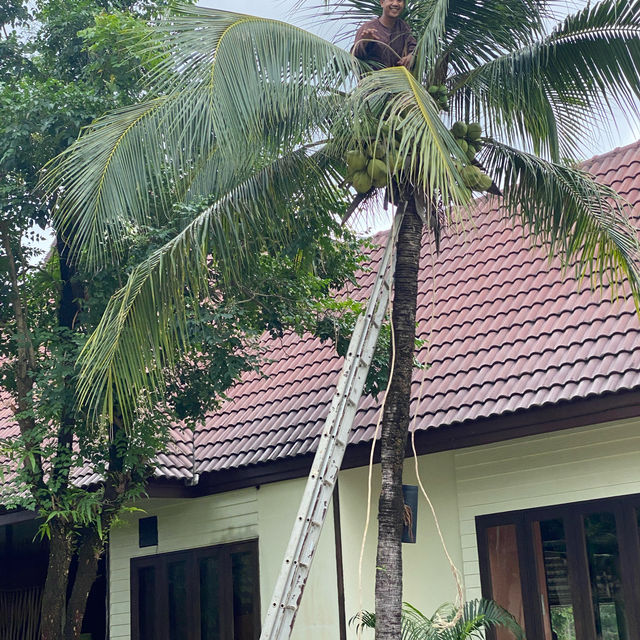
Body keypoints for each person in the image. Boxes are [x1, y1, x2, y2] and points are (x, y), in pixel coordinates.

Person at [352, 0, 417, 70]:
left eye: (399, 0)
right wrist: (364, 42)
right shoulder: (368, 28)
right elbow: (354, 58)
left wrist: (411, 56)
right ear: (382, 3)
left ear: (404, 4)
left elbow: (414, 48)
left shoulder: (403, 27)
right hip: (374, 79)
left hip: (398, 78)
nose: (395, 4)